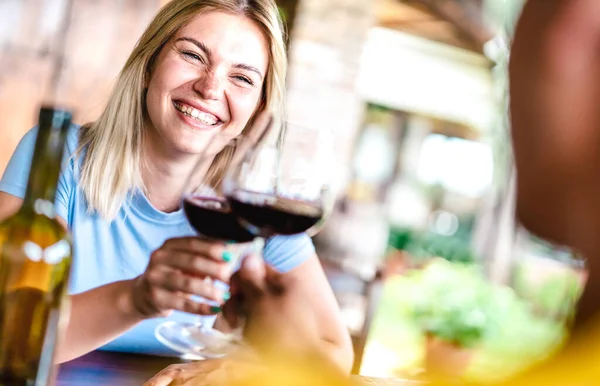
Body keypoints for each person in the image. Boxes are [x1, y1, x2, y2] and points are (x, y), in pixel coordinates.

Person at [0, 0, 353, 371]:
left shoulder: (257, 205)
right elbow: (9, 333)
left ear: (258, 109)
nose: (210, 87)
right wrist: (135, 299)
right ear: (149, 64)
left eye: (242, 78)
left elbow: (335, 354)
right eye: (192, 55)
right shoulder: (59, 155)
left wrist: (239, 371)